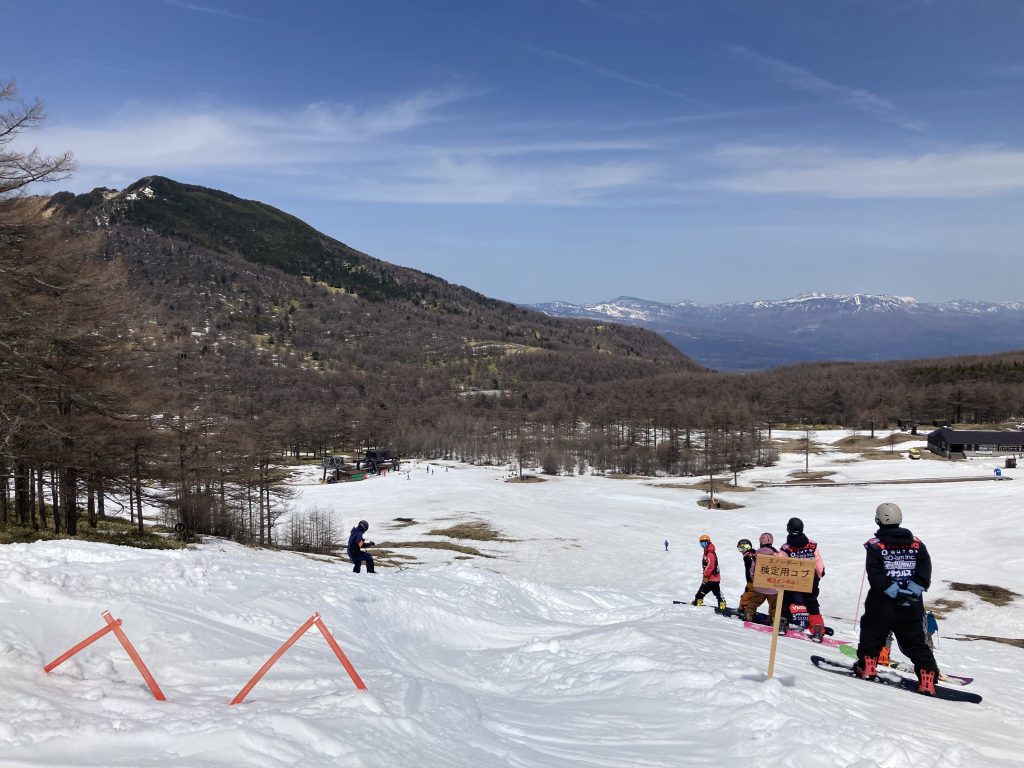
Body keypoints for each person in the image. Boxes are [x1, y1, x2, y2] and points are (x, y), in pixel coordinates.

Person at [855, 502, 940, 695]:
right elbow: (924, 570)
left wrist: (893, 591)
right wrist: (910, 592)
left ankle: (867, 666)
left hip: (881, 603)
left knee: (872, 635)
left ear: (878, 519)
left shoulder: (875, 545)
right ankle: (927, 679)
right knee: (916, 642)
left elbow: (875, 574)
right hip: (910, 605)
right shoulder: (917, 543)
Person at [779, 517, 826, 640]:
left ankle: (782, 624)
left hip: (792, 580)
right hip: (810, 580)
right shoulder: (812, 544)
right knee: (812, 604)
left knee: (785, 601)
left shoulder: (786, 548)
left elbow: (780, 564)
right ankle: (817, 629)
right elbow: (818, 563)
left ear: (788, 529)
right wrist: (819, 575)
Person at [740, 532, 779, 622]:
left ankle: (749, 615)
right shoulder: (776, 554)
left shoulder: (757, 554)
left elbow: (752, 569)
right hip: (773, 587)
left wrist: (754, 579)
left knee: (754, 602)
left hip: (760, 586)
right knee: (774, 605)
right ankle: (774, 619)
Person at [691, 534, 726, 609]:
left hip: (710, 578)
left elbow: (711, 565)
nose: (703, 545)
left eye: (704, 543)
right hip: (715, 578)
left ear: (708, 542)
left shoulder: (710, 553)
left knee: (701, 593)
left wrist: (706, 575)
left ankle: (697, 603)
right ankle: (722, 605)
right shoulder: (709, 551)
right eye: (701, 543)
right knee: (717, 592)